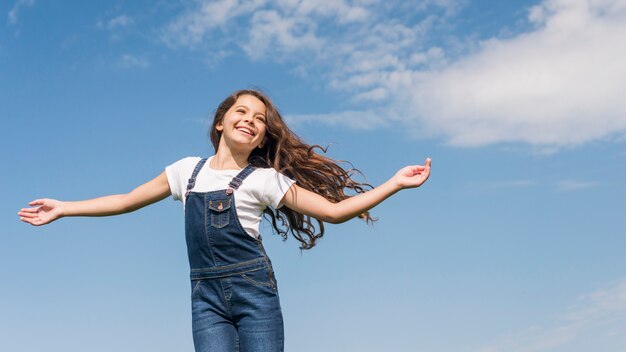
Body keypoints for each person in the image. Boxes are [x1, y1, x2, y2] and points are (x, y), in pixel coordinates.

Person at [18, 89, 431, 352]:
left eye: (260, 121)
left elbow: (335, 213)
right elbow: (126, 201)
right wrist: (64, 207)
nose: (250, 120)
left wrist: (394, 182)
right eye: (242, 111)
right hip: (206, 301)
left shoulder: (265, 180)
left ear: (263, 138)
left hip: (256, 296)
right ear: (221, 121)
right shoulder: (185, 171)